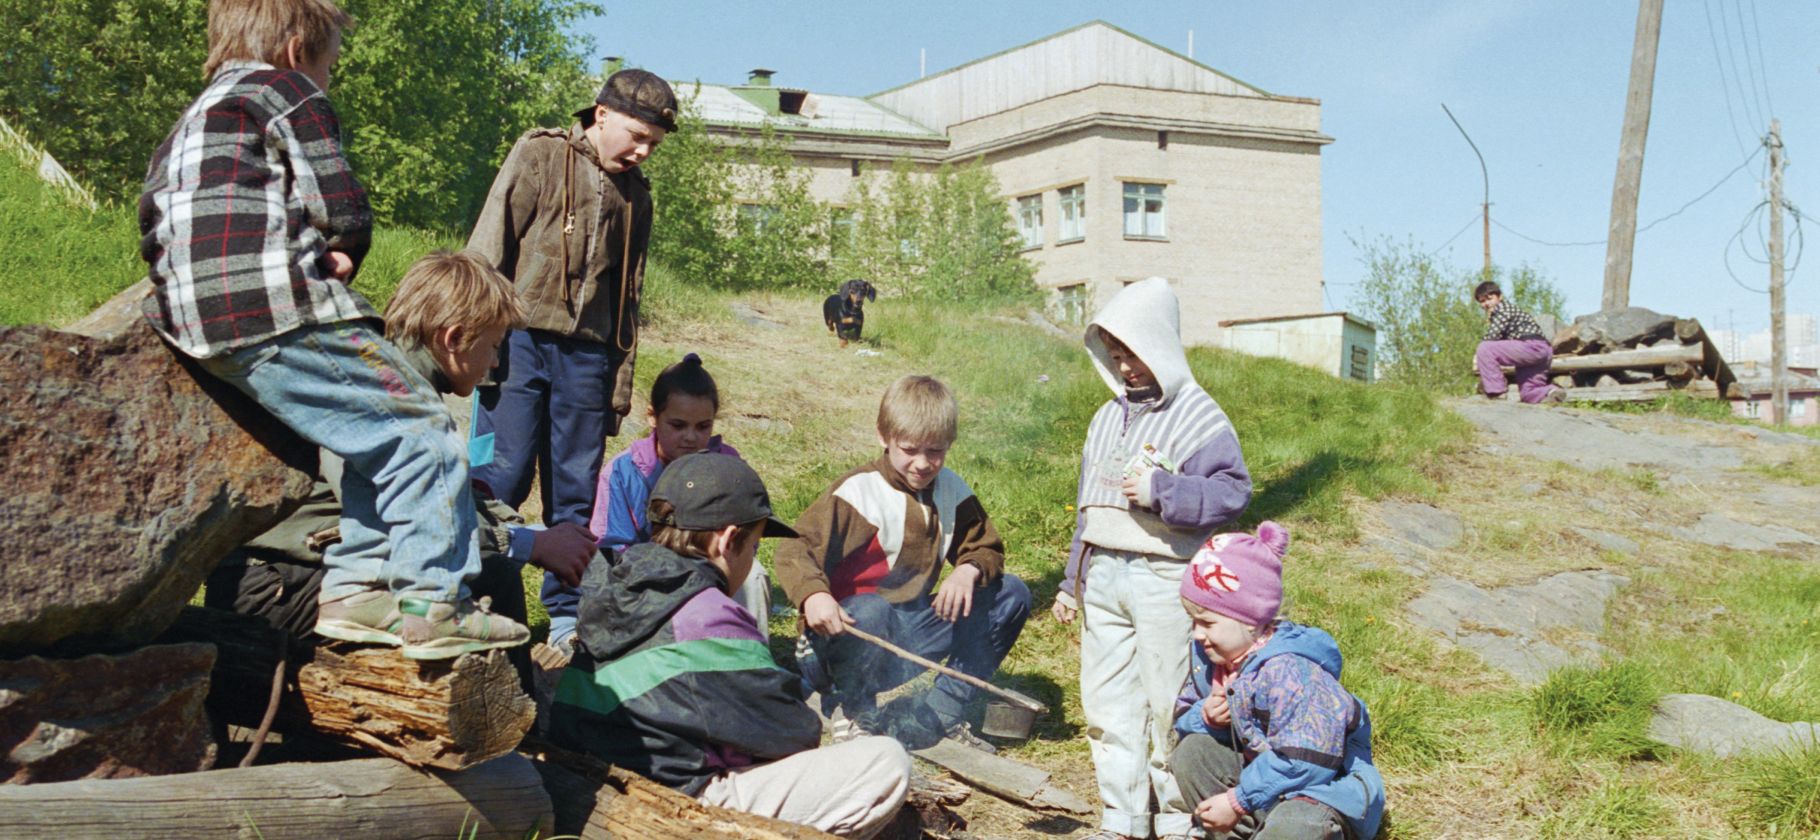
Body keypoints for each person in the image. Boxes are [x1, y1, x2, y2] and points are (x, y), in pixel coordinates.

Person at [138, 0, 525, 658]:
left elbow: (168, 215)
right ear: (297, 51)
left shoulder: (195, 116)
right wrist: (345, 244)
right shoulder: (285, 90)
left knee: (372, 437)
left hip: (194, 319)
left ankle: (352, 595)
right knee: (423, 433)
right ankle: (434, 602)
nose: (328, 79)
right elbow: (334, 198)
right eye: (329, 65)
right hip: (272, 306)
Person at [207, 250, 598, 683]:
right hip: (277, 590)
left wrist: (522, 532)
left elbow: (440, 495)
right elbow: (391, 513)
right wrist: (524, 545)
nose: (494, 363)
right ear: (452, 338)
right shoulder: (383, 397)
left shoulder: (389, 375)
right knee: (494, 576)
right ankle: (508, 737)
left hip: (291, 575)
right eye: (494, 345)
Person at [549, 454, 911, 839]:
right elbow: (793, 732)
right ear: (726, 541)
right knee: (887, 761)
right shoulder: (708, 615)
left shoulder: (615, 584)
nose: (752, 558)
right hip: (672, 806)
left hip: (584, 784)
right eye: (754, 547)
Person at [1051, 276, 1253, 840]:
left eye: (1135, 355)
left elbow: (1232, 493)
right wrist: (1072, 582)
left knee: (1169, 697)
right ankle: (1122, 816)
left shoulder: (1199, 414)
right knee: (1107, 700)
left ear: (1161, 345)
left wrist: (1164, 491)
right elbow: (1089, 511)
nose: (1126, 369)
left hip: (1165, 574)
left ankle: (1177, 816)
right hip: (1105, 575)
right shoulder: (1104, 417)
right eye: (1116, 357)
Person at [466, 69, 678, 531]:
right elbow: (487, 248)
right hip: (516, 343)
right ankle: (479, 583)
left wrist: (617, 384)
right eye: (638, 136)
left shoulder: (636, 196)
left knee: (575, 491)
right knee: (501, 473)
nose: (643, 151)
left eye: (654, 145)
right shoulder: (539, 154)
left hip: (588, 356)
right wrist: (476, 348)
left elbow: (628, 300)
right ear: (602, 115)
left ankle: (566, 602)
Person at [775, 375, 1031, 753]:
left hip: (906, 637)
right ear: (883, 436)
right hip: (840, 641)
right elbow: (794, 550)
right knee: (872, 608)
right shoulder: (858, 492)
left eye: (936, 451)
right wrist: (813, 596)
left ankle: (942, 711)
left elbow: (987, 548)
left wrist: (968, 569)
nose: (923, 464)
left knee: (1011, 593)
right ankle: (853, 711)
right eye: (909, 449)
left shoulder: (953, 490)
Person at [1171, 522, 1386, 840]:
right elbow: (1181, 718)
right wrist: (1206, 719)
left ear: (1250, 619)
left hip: (1321, 794)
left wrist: (1237, 800)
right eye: (1193, 621)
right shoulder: (1213, 660)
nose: (1197, 634)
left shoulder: (1291, 671)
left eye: (1207, 622)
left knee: (1296, 824)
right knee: (1193, 752)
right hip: (1266, 787)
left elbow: (1306, 760)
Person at [540, 353, 769, 651]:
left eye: (703, 427)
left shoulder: (728, 464)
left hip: (713, 572)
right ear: (652, 416)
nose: (690, 438)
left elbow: (747, 537)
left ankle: (748, 658)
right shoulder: (623, 471)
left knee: (754, 576)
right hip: (645, 579)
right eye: (677, 425)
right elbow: (613, 551)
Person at [1474, 280, 1565, 405]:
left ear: (1500, 296)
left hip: (1530, 346)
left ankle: (1496, 393)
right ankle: (1552, 392)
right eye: (1482, 301)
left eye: (1489, 299)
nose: (1486, 304)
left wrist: (1479, 357)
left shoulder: (1502, 308)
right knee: (1529, 394)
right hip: (1542, 351)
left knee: (1485, 348)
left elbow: (1492, 336)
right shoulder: (1507, 310)